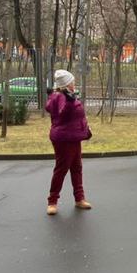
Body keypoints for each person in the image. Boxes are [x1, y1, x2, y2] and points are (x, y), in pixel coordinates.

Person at [44, 69, 91, 216]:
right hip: (64, 139)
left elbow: (75, 116)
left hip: (73, 137)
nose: (74, 83)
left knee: (77, 168)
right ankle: (52, 202)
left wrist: (85, 128)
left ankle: (79, 198)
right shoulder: (60, 97)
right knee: (61, 169)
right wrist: (71, 102)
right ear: (67, 84)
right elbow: (63, 113)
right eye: (72, 81)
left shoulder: (67, 96)